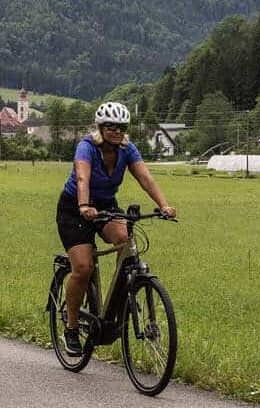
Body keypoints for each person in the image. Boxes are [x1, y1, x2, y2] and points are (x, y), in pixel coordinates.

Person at [57, 101, 175, 351]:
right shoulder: (86, 147)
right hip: (74, 208)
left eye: (121, 127)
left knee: (125, 239)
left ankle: (119, 299)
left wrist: (164, 205)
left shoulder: (127, 149)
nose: (117, 131)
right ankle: (71, 327)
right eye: (111, 126)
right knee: (83, 267)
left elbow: (145, 178)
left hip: (106, 206)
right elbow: (82, 178)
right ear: (100, 127)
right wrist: (84, 205)